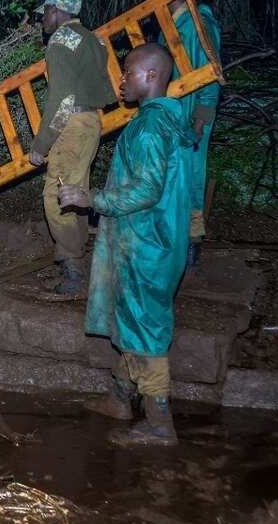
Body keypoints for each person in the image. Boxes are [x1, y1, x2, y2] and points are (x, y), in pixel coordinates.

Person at [59, 43, 195, 446]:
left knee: (146, 328)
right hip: (161, 239)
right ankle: (119, 397)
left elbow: (147, 190)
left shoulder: (150, 127)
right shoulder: (172, 120)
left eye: (128, 72)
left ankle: (159, 422)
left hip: (145, 242)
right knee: (136, 319)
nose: (121, 80)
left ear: (152, 75)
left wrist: (92, 199)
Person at [25, 0, 117, 295]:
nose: (43, 21)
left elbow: (62, 100)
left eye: (45, 14)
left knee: (56, 196)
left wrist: (41, 144)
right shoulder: (93, 40)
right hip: (92, 122)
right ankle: (77, 259)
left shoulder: (61, 42)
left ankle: (72, 267)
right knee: (76, 191)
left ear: (56, 10)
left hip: (72, 124)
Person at [150, 0, 221, 267]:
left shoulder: (198, 24)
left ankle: (191, 243)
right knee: (168, 175)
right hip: (172, 113)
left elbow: (211, 73)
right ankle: (168, 239)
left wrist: (201, 119)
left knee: (190, 174)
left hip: (192, 115)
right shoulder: (171, 24)